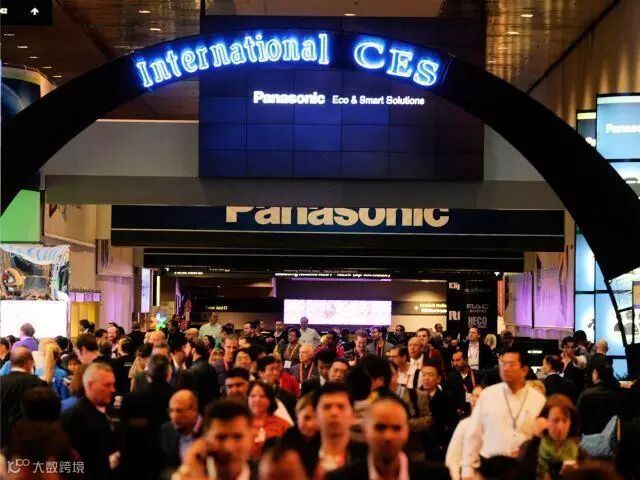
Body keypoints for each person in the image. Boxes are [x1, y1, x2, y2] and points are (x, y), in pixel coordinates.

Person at [461, 347, 546, 480]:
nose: (505, 368)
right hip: (490, 467)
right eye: (503, 364)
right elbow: (473, 434)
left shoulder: (538, 400)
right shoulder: (488, 395)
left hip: (525, 469)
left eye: (511, 364)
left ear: (524, 370)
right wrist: (467, 470)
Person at [327, 396, 450, 480]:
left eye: (396, 428)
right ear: (365, 431)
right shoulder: (340, 478)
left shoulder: (436, 476)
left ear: (407, 432)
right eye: (380, 428)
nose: (388, 436)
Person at [62, 362, 117, 480]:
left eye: (113, 384)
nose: (113, 389)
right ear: (90, 385)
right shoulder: (74, 416)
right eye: (107, 385)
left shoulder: (113, 412)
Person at [174, 400, 254, 480]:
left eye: (237, 437)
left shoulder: (261, 474)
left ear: (250, 438)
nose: (229, 448)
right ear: (205, 439)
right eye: (221, 438)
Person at [310, 382, 367, 478]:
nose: (334, 412)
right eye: (327, 407)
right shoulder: (299, 458)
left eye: (341, 407)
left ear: (353, 415)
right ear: (315, 415)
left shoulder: (367, 457)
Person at [518, 394, 582, 480]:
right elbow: (522, 474)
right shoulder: (531, 447)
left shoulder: (579, 451)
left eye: (565, 420)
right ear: (544, 420)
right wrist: (535, 439)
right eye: (555, 420)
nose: (560, 426)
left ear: (571, 423)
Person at [0, 347, 46, 447]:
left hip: (2, 441)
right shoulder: (38, 384)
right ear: (29, 363)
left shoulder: (1, 382)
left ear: (11, 363)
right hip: (29, 442)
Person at [420, 361, 458, 462]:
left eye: (430, 375)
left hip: (439, 449)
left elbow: (452, 425)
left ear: (438, 379)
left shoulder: (447, 399)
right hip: (419, 448)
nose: (426, 378)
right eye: (424, 374)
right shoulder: (414, 396)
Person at [247, 381, 291, 460]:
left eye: (262, 396)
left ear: (270, 400)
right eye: (252, 396)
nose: (257, 400)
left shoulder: (283, 425)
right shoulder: (240, 424)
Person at [446, 386, 483, 480]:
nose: (474, 399)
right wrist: (457, 477)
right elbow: (452, 458)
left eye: (478, 396)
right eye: (473, 396)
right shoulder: (464, 424)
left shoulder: (493, 425)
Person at [279, 393, 321, 476]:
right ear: (297, 415)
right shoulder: (286, 441)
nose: (311, 424)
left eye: (317, 418)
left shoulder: (326, 439)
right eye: (306, 418)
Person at [160, 389, 202, 470]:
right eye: (171, 411)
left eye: (179, 411)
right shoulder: (167, 430)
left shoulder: (209, 429)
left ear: (194, 410)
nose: (174, 416)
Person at [577, 361, 622, 435]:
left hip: (589, 435)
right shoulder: (618, 393)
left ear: (597, 374)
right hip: (611, 435)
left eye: (593, 372)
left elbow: (578, 417)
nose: (592, 374)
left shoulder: (586, 394)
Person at [257, 355, 297, 421]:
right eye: (271, 369)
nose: (275, 373)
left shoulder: (288, 396)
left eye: (277, 369)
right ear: (261, 373)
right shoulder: (251, 393)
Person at [445, 349, 482, 416]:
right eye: (453, 360)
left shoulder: (476, 375)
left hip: (475, 411)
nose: (455, 363)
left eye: (458, 360)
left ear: (466, 360)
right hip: (458, 415)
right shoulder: (451, 378)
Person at [188, 338, 220, 411]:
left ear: (193, 350)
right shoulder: (209, 366)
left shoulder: (194, 370)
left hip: (200, 409)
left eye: (187, 347)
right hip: (211, 408)